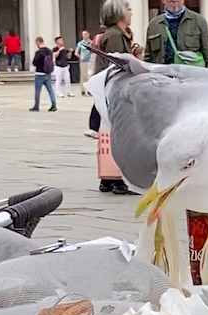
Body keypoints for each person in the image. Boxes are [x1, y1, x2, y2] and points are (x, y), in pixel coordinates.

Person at [93, 0, 134, 194]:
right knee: (120, 134)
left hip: (110, 89)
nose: (131, 13)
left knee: (109, 132)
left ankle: (108, 178)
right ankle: (118, 178)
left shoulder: (111, 35)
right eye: (128, 9)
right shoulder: (116, 36)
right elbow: (118, 64)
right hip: (117, 89)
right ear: (119, 14)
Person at [144, 0, 208, 68]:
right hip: (162, 76)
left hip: (190, 76)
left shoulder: (198, 21)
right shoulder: (153, 24)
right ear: (163, 0)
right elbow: (148, 57)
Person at [30, 36, 56, 112]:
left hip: (39, 73)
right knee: (50, 90)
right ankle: (54, 104)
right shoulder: (49, 51)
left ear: (38, 42)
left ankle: (36, 106)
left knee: (38, 90)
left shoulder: (38, 52)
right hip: (47, 73)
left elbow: (34, 63)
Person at [75, 29, 92, 95]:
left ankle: (89, 90)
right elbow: (76, 52)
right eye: (83, 35)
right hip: (83, 61)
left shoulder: (91, 43)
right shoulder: (80, 43)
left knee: (89, 76)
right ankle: (83, 90)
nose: (84, 36)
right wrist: (80, 57)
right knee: (83, 76)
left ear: (88, 34)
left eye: (85, 34)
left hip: (90, 61)